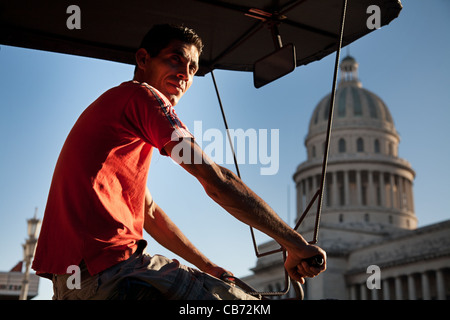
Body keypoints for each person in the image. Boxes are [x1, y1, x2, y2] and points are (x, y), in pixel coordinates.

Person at [32, 24, 326, 300]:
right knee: (246, 304)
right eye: (176, 60)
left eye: (193, 68)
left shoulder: (118, 113)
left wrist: (210, 268)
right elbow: (217, 181)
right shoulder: (144, 97)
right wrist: (295, 244)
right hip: (112, 269)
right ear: (144, 59)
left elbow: (148, 212)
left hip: (73, 284)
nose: (185, 73)